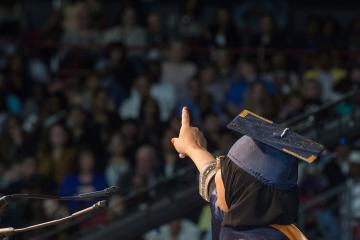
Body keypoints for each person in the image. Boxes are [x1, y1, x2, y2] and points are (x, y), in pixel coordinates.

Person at [171, 107, 324, 240]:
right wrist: (193, 148)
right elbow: (213, 180)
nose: (217, 177)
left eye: (225, 177)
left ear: (242, 193)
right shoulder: (247, 216)